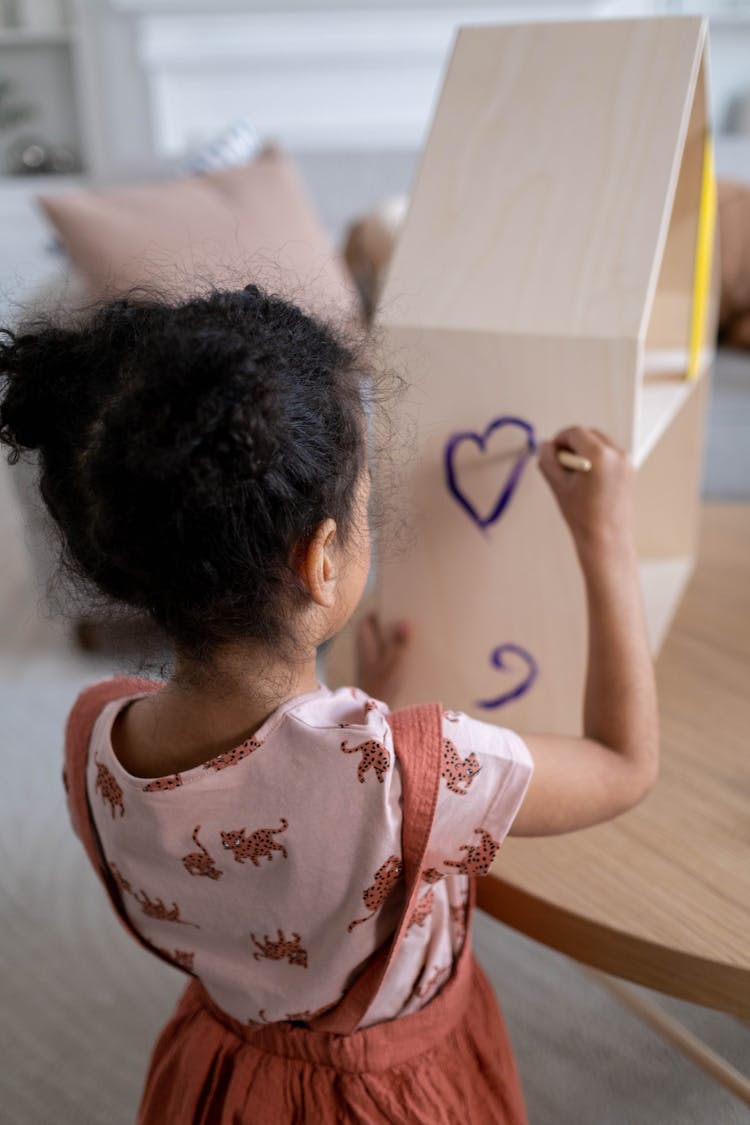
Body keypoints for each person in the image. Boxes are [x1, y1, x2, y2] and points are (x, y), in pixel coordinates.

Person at [0, 286, 658, 1124]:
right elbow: (623, 764)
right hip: (390, 1093)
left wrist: (363, 703)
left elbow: (281, 810)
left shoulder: (93, 729)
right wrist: (607, 536)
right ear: (320, 559)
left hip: (226, 1075)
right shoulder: (421, 771)